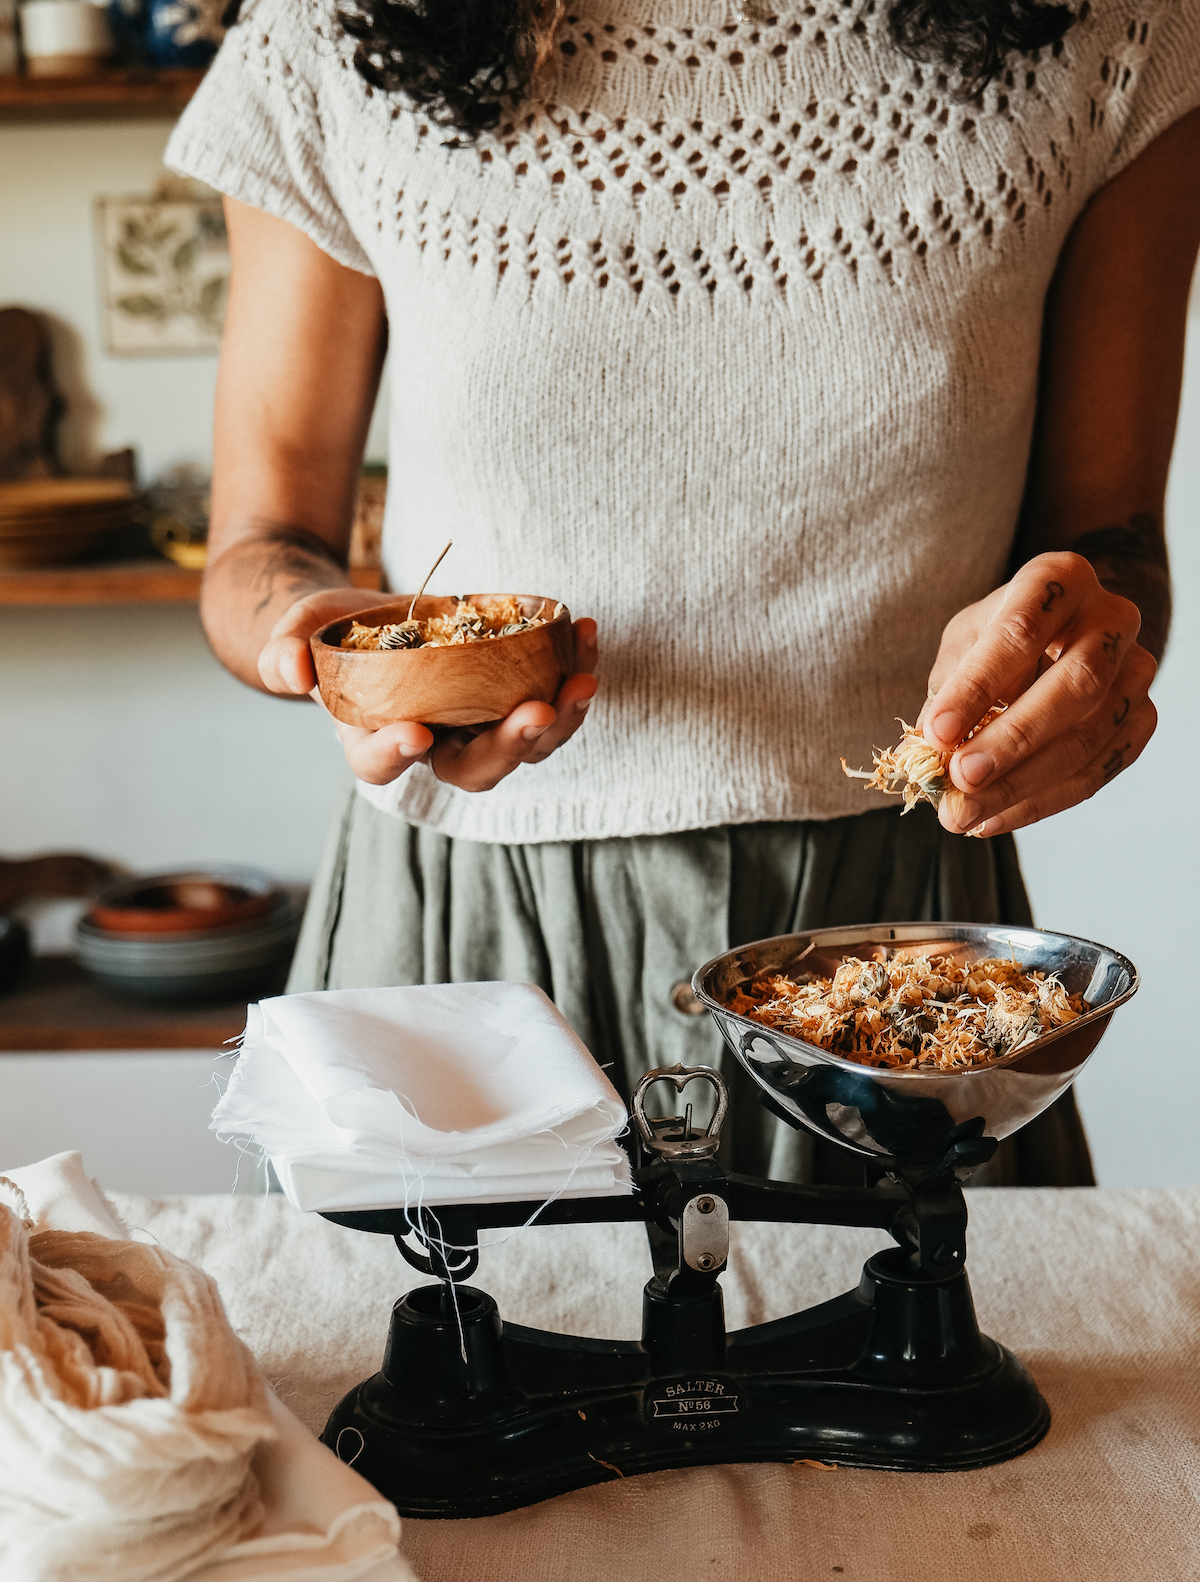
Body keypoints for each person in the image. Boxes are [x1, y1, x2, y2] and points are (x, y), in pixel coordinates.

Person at [167, 0, 1200, 1182]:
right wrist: (312, 641)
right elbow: (263, 542)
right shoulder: (337, 33)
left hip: (890, 948)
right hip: (470, 922)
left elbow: (1112, 545)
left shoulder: (1113, 34)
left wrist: (1087, 655)